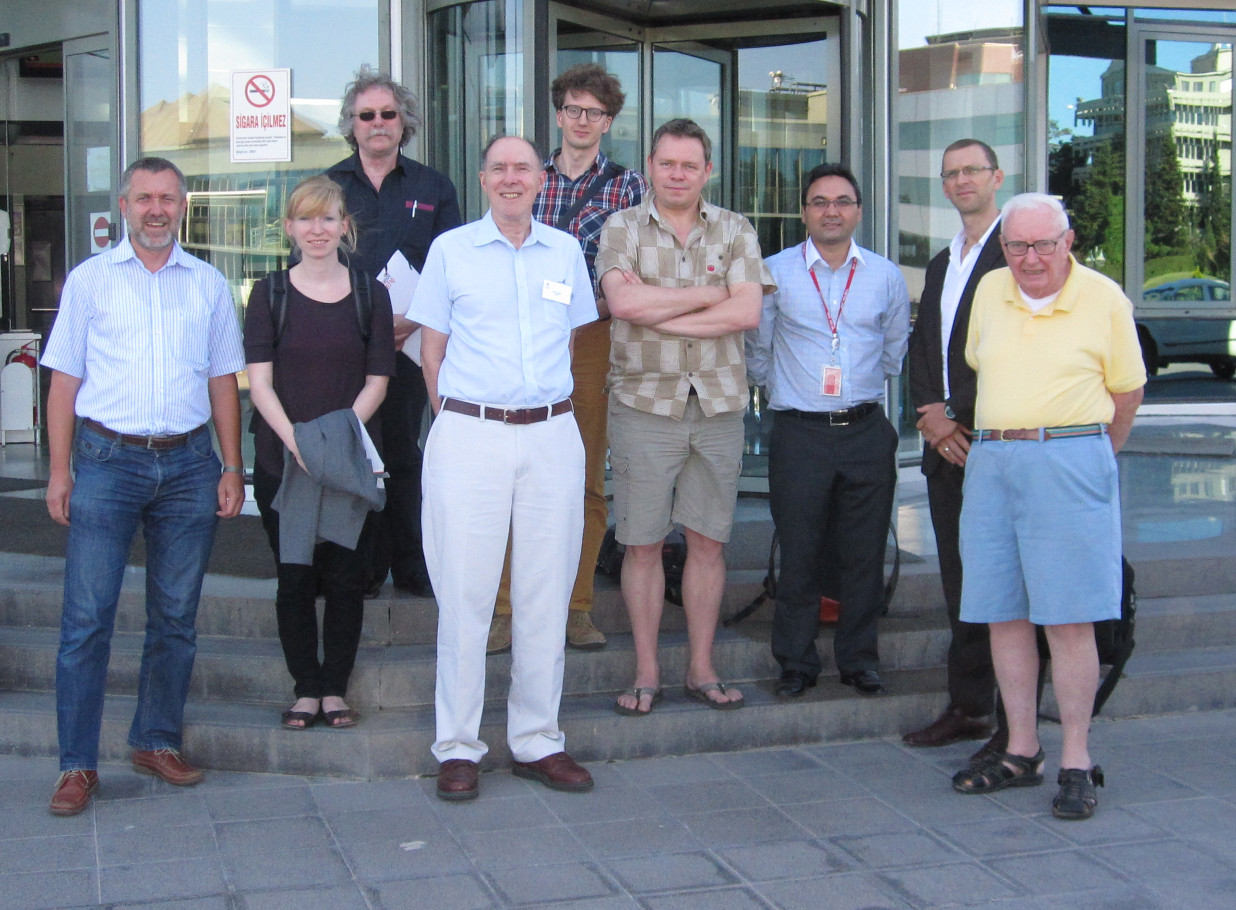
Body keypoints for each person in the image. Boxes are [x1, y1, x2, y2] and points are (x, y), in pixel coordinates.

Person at [41, 157, 245, 816]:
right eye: (144, 198)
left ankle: (155, 740)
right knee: (86, 620)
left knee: (176, 618)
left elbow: (222, 379)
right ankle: (77, 764)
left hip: (189, 466)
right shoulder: (90, 280)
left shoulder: (208, 284)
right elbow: (64, 381)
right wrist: (59, 469)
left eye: (168, 199)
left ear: (183, 206)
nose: (157, 210)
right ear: (124, 205)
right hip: (106, 461)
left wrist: (232, 464)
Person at [412, 135, 599, 801]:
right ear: (483, 179)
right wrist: (466, 418)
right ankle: (458, 747)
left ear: (541, 179)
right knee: (465, 595)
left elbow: (569, 342)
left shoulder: (566, 252)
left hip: (551, 435)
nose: (512, 178)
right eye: (500, 168)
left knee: (546, 592)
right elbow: (431, 352)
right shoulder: (450, 250)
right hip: (471, 434)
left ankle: (537, 739)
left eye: (523, 167)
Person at [950, 193, 1145, 821]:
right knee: (1002, 612)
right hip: (992, 461)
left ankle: (1077, 761)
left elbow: (1127, 393)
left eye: (1043, 244)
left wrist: (1089, 457)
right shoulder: (990, 290)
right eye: (1016, 246)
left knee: (1069, 619)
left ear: (1068, 242)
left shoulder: (1105, 299)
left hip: (1068, 455)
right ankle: (1022, 749)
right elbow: (977, 364)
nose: (1029, 258)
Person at [597, 118, 775, 715]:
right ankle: (646, 672)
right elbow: (622, 302)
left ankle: (702, 667)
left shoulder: (736, 229)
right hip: (644, 404)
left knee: (708, 543)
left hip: (718, 404)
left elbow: (747, 313)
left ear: (708, 171)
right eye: (667, 163)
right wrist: (710, 295)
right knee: (642, 544)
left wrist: (660, 311)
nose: (678, 174)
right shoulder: (621, 227)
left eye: (689, 165)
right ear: (650, 166)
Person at [486, 62, 647, 655]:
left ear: (608, 122)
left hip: (593, 336)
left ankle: (576, 607)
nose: (583, 120)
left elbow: (637, 268)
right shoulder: (528, 175)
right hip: (519, 339)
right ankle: (505, 609)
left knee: (583, 478)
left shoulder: (629, 188)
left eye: (594, 112)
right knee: (512, 478)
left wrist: (597, 301)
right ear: (558, 115)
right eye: (574, 109)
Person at [748, 163, 910, 699]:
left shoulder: (885, 275)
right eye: (820, 202)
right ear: (804, 212)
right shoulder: (775, 272)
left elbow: (893, 351)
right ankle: (796, 662)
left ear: (858, 211)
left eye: (842, 201)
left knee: (864, 552)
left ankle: (859, 660)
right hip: (801, 434)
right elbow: (758, 349)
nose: (831, 211)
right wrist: (788, 391)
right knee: (799, 552)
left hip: (865, 430)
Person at [244, 175, 395, 731]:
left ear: (344, 226)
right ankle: (305, 688)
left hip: (350, 463)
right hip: (283, 463)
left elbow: (378, 381)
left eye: (327, 218)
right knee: (295, 578)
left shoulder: (370, 294)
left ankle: (335, 689)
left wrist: (332, 444)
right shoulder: (269, 295)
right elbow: (260, 384)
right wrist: (301, 445)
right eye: (306, 218)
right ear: (289, 227)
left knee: (346, 579)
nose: (317, 229)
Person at [326, 65, 462, 598]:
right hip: (346, 343)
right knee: (355, 452)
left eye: (388, 113)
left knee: (404, 452)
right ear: (352, 124)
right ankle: (359, 569)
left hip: (411, 343)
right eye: (367, 115)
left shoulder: (434, 186)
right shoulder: (329, 186)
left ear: (404, 121)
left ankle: (412, 565)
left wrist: (412, 323)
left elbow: (452, 267)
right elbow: (309, 261)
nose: (378, 123)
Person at [902, 139, 1007, 747]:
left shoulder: (1015, 252)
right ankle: (970, 706)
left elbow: (1012, 350)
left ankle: (1016, 716)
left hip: (994, 442)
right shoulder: (943, 262)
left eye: (972, 170)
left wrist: (956, 415)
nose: (962, 180)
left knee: (1007, 581)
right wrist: (930, 417)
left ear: (996, 177)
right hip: (947, 448)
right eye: (951, 174)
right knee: (959, 580)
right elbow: (925, 347)